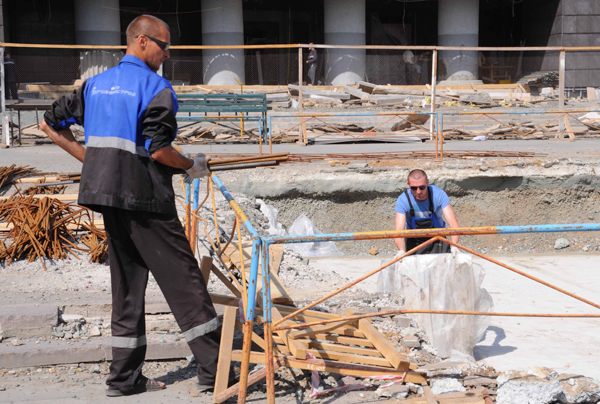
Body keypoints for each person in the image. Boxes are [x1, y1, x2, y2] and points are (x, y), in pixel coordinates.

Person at [40, 14, 234, 397]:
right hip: (145, 198)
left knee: (126, 286)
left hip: (106, 195)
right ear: (141, 41)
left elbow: (49, 123)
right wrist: (192, 165)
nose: (166, 54)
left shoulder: (95, 85)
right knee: (185, 283)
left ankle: (124, 379)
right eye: (164, 46)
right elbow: (159, 150)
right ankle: (217, 370)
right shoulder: (156, 88)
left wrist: (92, 161)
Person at [394, 169, 460, 256]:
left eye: (422, 187)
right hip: (414, 242)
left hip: (438, 239)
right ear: (408, 185)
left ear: (427, 183)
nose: (418, 192)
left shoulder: (438, 194)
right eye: (414, 188)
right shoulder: (403, 200)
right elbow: (399, 230)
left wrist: (454, 246)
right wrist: (402, 250)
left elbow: (453, 224)